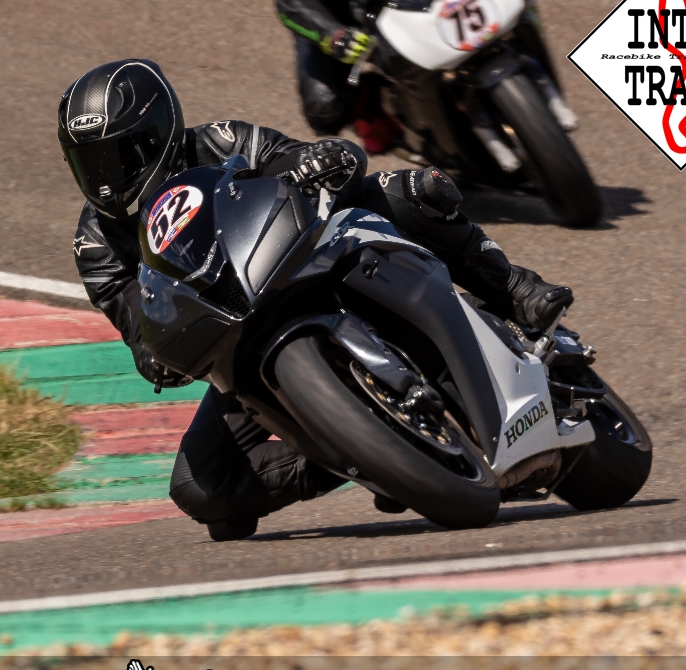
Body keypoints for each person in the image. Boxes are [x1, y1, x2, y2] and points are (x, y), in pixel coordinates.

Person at [58, 59, 572, 541]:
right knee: (200, 488)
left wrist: (316, 161)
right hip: (235, 341)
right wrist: (154, 355)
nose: (104, 179)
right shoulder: (96, 244)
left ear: (158, 134)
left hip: (310, 265)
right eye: (88, 164)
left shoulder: (221, 141)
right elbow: (137, 322)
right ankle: (374, 454)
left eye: (116, 156)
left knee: (407, 190)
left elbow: (302, 159)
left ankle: (513, 288)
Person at [264, 0, 402, 155]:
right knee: (324, 106)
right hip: (338, 8)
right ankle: (371, 105)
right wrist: (333, 35)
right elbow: (289, 1)